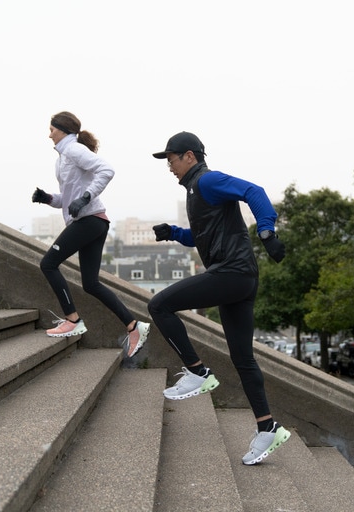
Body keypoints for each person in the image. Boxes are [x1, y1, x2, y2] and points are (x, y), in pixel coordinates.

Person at [148, 131, 290, 465]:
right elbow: (205, 236)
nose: (169, 166)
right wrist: (175, 234)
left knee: (159, 305)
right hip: (240, 278)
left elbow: (253, 191)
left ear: (190, 157)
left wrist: (267, 230)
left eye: (171, 159)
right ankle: (267, 427)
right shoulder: (196, 191)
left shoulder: (208, 181)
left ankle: (197, 372)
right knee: (243, 358)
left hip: (232, 273)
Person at [32, 111, 150, 357]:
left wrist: (86, 197)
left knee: (49, 263)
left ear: (62, 130)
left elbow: (106, 170)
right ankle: (134, 326)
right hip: (95, 222)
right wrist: (48, 199)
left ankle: (72, 321)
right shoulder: (63, 158)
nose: (49, 134)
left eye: (51, 129)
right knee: (91, 283)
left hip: (89, 221)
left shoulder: (73, 150)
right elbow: (68, 198)